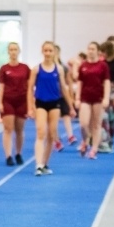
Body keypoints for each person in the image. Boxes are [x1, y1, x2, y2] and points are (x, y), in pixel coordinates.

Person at [27, 41, 75, 176]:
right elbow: (30, 89)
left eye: (50, 51)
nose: (48, 53)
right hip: (41, 103)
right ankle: (38, 164)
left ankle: (45, 163)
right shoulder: (36, 69)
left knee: (52, 134)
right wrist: (30, 107)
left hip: (55, 103)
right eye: (45, 51)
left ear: (54, 52)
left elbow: (63, 89)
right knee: (41, 132)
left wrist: (71, 106)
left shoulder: (59, 69)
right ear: (42, 52)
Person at [0, 42, 30, 166]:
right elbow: (1, 87)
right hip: (8, 100)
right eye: (11, 49)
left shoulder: (25, 68)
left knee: (19, 129)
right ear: (8, 52)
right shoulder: (4, 69)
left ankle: (18, 153)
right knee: (8, 128)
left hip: (22, 101)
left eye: (15, 49)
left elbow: (30, 87)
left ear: (19, 51)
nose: (13, 52)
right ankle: (8, 156)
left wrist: (31, 104)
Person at [76, 41, 110, 159]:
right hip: (85, 97)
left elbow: (106, 82)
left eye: (93, 49)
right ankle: (85, 141)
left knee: (96, 124)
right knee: (83, 123)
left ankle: (94, 149)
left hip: (98, 98)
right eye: (89, 49)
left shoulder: (103, 66)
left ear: (98, 51)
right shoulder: (83, 65)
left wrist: (106, 97)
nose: (90, 51)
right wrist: (77, 98)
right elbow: (80, 83)